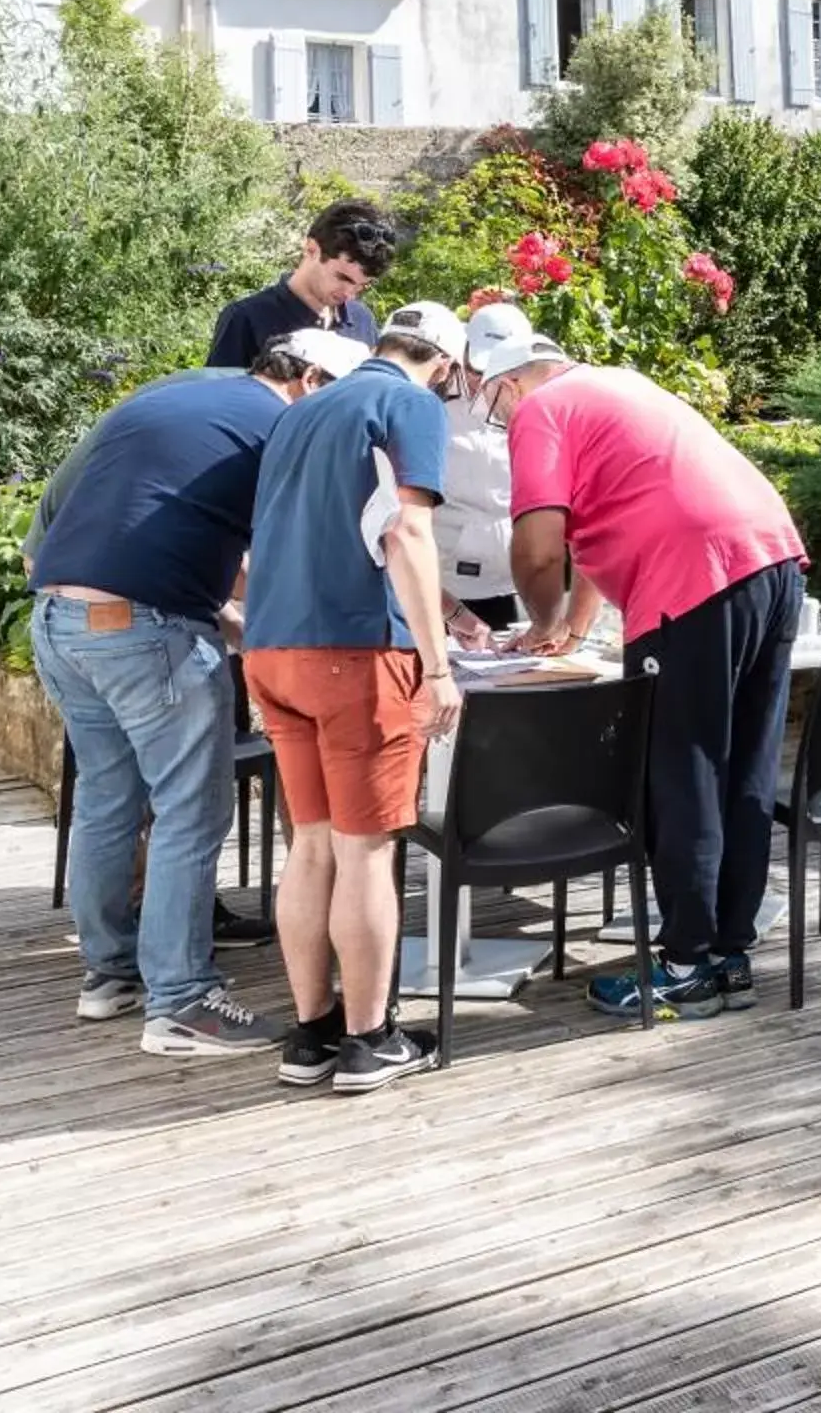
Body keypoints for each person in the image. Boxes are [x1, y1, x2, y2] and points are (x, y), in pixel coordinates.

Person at [474, 328, 809, 1020]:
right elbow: (599, 532)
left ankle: (684, 963)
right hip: (771, 560)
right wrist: (569, 622)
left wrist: (539, 623)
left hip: (693, 575)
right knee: (744, 762)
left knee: (679, 770)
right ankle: (727, 954)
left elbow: (539, 550)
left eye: (491, 408)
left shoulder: (539, 409)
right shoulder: (618, 384)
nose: (500, 422)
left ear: (507, 383)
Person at [26, 339, 338, 1056]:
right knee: (191, 812)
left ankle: (111, 974)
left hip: (58, 619)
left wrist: (225, 620)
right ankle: (182, 1002)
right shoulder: (280, 427)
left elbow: (160, 527)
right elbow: (292, 558)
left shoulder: (177, 394)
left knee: (109, 797)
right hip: (141, 628)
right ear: (308, 381)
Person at [242, 301, 466, 1094]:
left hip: (271, 649)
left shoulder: (302, 411)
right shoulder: (407, 404)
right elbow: (406, 535)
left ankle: (311, 1035)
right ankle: (372, 1041)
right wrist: (439, 667)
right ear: (442, 365)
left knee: (312, 843)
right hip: (355, 652)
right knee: (368, 850)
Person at [434, 301, 541, 643]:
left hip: (510, 580)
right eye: (476, 369)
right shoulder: (432, 401)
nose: (483, 382)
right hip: (446, 582)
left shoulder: (534, 399)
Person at [207, 199, 396, 368]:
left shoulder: (361, 319)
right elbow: (221, 400)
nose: (350, 294)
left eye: (363, 285)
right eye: (343, 278)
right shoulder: (245, 318)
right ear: (311, 249)